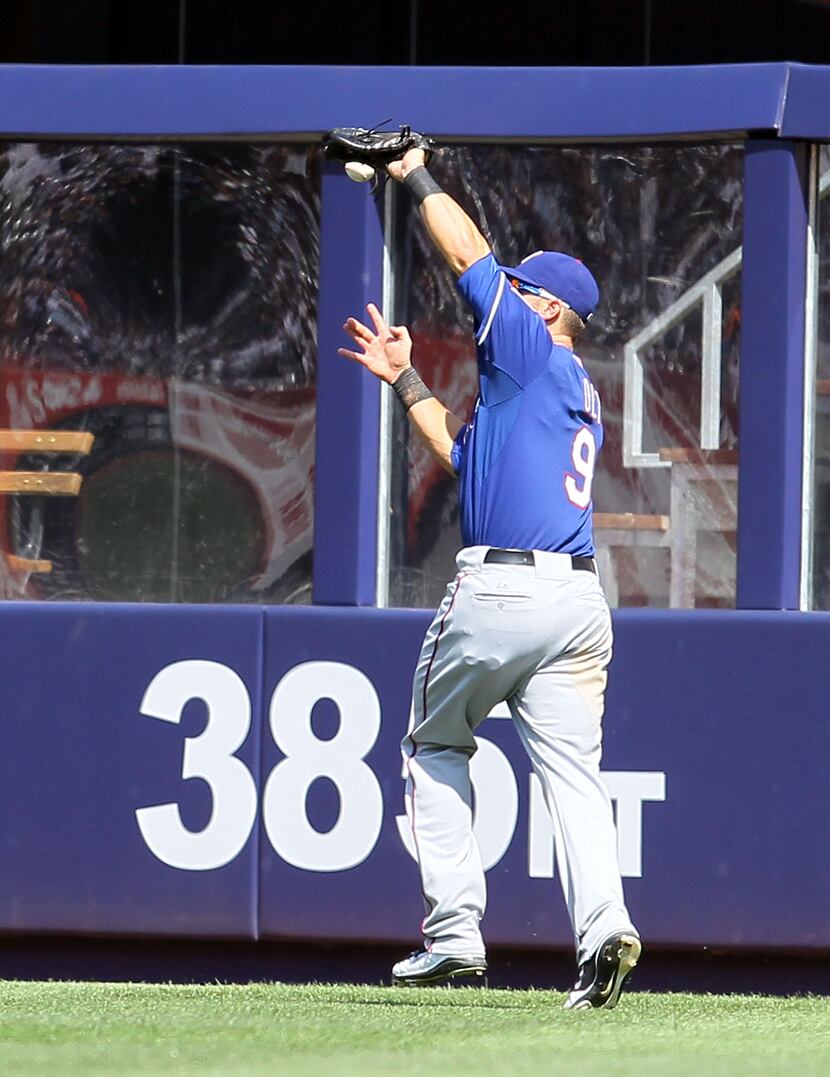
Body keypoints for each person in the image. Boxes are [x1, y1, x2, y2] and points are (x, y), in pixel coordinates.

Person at [338, 146, 641, 1010]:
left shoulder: (530, 349)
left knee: (434, 740)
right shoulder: (568, 387)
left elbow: (467, 255)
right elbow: (460, 456)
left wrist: (411, 172)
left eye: (519, 290)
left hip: (503, 591)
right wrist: (405, 379)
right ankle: (604, 926)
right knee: (575, 780)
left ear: (547, 307)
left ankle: (456, 931)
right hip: (578, 604)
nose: (501, 295)